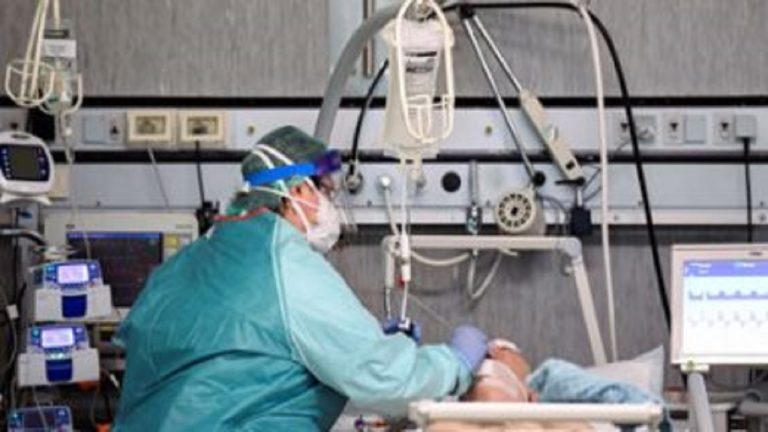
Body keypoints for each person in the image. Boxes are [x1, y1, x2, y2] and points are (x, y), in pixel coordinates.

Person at [112, 126, 488, 431]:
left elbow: (246, 367)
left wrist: (359, 341)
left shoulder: (187, 260)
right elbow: (383, 380)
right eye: (327, 192)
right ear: (297, 191)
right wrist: (456, 363)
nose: (331, 206)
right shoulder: (287, 267)